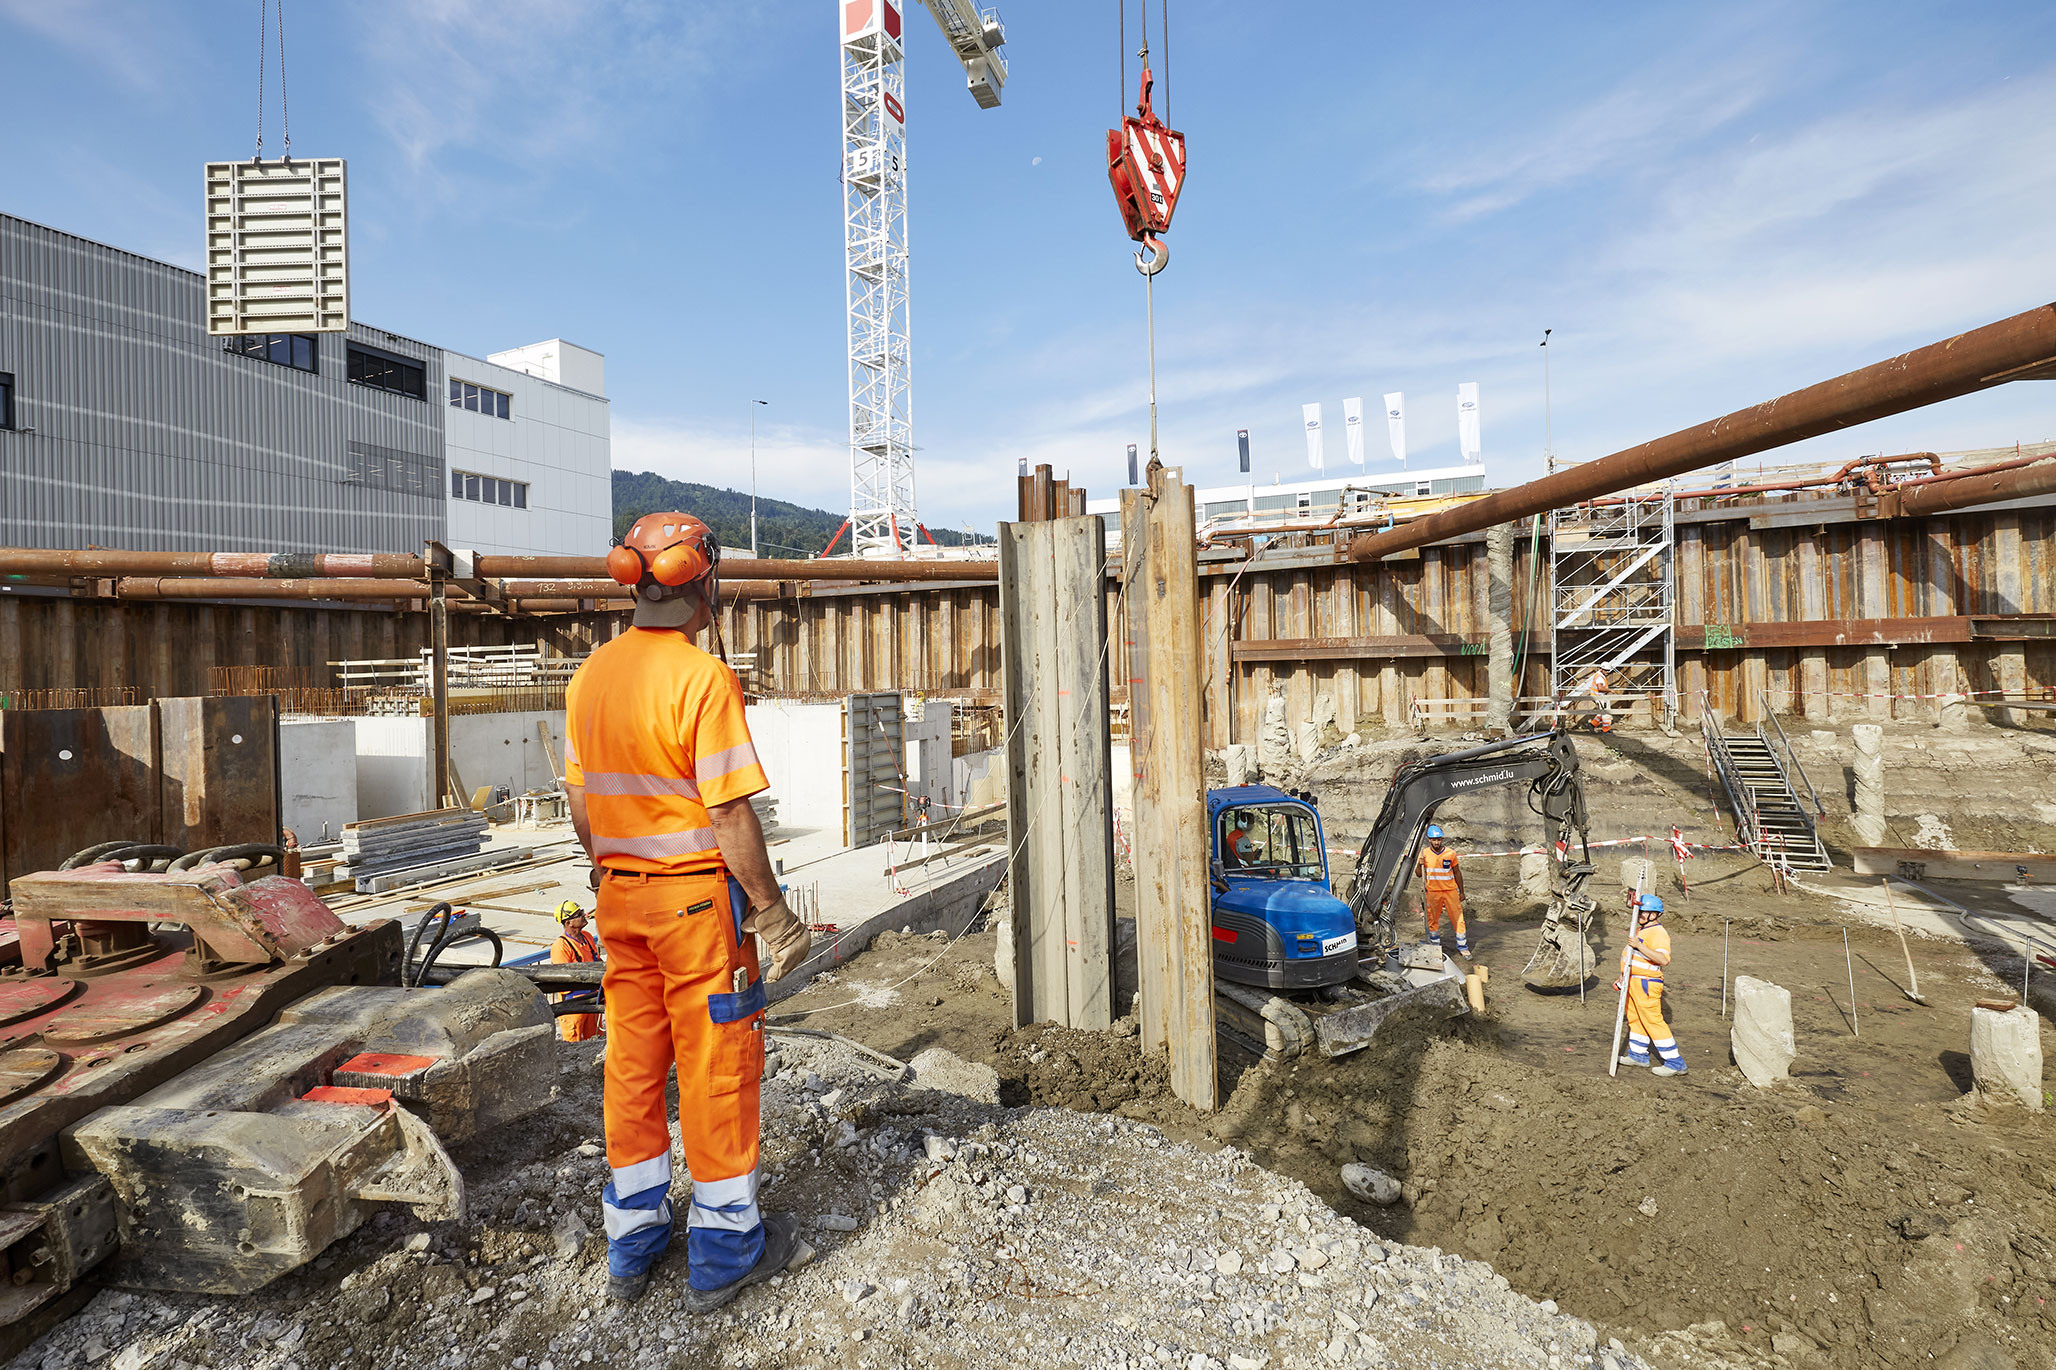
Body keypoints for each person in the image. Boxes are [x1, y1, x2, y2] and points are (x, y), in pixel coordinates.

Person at [563, 511, 812, 1308]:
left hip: (619, 903)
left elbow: (579, 802)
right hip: (695, 914)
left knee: (633, 1067)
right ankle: (726, 1249)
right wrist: (773, 915)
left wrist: (615, 867)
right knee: (715, 1067)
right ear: (702, 581)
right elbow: (731, 814)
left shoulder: (590, 676)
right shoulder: (704, 679)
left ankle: (632, 1243)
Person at [1616, 894, 1685, 1076]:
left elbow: (1663, 959)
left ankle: (1675, 1062)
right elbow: (1630, 958)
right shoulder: (1640, 930)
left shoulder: (1658, 933)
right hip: (1633, 982)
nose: (1638, 916)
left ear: (1654, 914)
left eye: (1642, 912)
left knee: (1653, 1021)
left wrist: (1639, 946)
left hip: (1647, 983)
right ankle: (1638, 1055)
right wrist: (1622, 977)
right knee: (1635, 1019)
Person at [550, 899, 604, 1043]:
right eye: (578, 914)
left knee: (594, 1040)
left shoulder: (586, 937)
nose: (584, 915)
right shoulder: (561, 946)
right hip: (573, 1004)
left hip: (593, 999)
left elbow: (596, 961)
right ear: (568, 923)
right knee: (573, 1043)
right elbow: (563, 979)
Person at [1417, 824, 1470, 958]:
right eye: (1434, 840)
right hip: (1433, 892)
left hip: (1450, 891)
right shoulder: (1424, 854)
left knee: (1458, 918)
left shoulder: (1450, 853)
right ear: (1429, 839)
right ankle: (1435, 946)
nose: (1437, 842)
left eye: (1439, 839)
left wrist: (1461, 891)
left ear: (1442, 839)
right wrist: (1419, 864)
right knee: (1432, 919)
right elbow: (1418, 874)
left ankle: (1463, 946)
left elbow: (1457, 872)